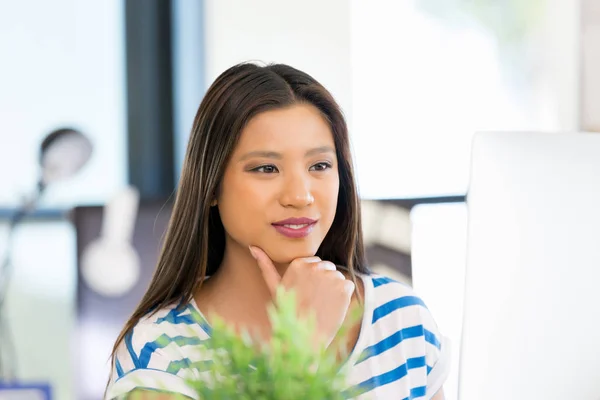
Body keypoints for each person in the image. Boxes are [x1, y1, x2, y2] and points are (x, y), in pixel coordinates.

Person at [105, 62, 450, 399]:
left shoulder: (402, 319)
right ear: (210, 186)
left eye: (320, 165)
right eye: (266, 168)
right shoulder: (161, 355)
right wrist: (300, 354)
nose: (300, 196)